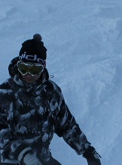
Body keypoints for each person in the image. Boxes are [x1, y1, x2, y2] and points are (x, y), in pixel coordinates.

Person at [0, 34, 101, 165]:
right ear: (18, 65)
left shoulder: (50, 92)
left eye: (34, 70)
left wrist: (87, 151)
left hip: (42, 159)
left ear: (43, 67)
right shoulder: (5, 93)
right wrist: (23, 153)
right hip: (10, 160)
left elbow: (67, 125)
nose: (28, 75)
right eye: (24, 68)